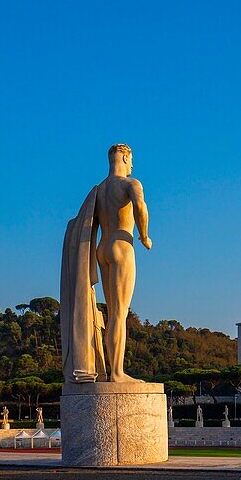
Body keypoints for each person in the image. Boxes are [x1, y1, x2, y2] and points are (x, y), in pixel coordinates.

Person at [93, 145, 152, 381]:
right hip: (121, 245)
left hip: (102, 249)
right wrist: (144, 235)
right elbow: (140, 206)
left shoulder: (98, 190)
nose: (132, 166)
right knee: (119, 313)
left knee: (112, 312)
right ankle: (117, 372)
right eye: (131, 160)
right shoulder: (130, 183)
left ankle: (111, 370)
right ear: (126, 157)